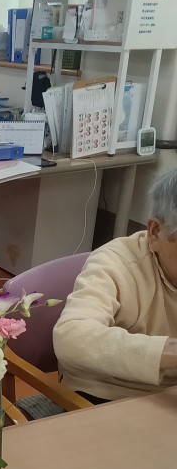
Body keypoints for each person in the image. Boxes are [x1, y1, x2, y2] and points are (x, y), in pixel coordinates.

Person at [53, 169, 177, 402]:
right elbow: (71, 337)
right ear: (155, 232)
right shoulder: (115, 263)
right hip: (109, 396)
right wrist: (167, 353)